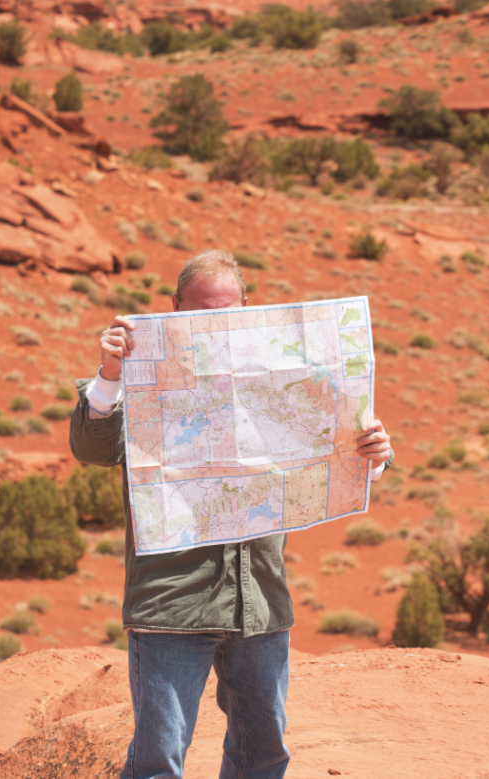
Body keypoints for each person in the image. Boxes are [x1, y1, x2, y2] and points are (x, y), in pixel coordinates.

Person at [69, 250, 394, 779]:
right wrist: (108, 376)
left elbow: (333, 450)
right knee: (158, 760)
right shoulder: (143, 379)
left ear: (249, 306)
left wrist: (373, 457)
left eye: (226, 311)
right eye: (200, 312)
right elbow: (93, 447)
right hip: (172, 605)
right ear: (174, 308)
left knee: (263, 754)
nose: (214, 325)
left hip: (260, 602)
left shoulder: (286, 375)